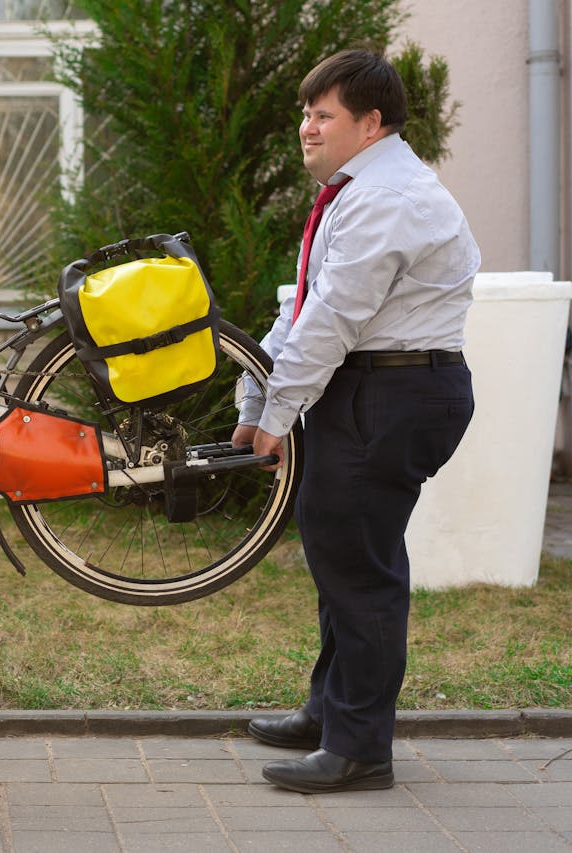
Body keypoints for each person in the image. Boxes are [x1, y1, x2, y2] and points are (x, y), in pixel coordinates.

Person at [232, 49, 478, 794]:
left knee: (362, 570)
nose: (306, 128)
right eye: (306, 114)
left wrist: (277, 414)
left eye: (322, 115)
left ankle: (361, 747)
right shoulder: (357, 192)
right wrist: (257, 399)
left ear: (370, 123)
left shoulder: (387, 198)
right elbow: (301, 304)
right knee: (341, 555)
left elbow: (333, 317)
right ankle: (329, 712)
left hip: (394, 393)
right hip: (369, 390)